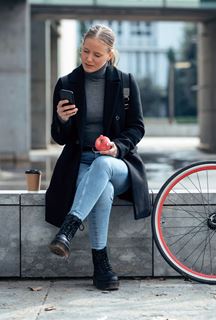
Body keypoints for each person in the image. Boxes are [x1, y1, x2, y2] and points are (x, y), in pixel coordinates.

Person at [45, 24, 151, 291]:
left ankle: (69, 227)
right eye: (85, 51)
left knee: (103, 165)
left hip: (119, 164)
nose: (89, 59)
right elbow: (59, 138)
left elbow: (137, 127)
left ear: (110, 54)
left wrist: (117, 147)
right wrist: (61, 119)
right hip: (81, 162)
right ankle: (101, 266)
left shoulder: (125, 82)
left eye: (97, 54)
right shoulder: (66, 83)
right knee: (102, 192)